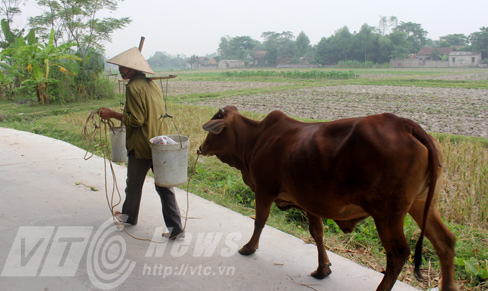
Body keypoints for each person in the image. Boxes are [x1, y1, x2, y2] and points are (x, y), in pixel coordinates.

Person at [98, 47, 183, 239]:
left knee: (134, 184)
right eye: (120, 67)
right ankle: (176, 227)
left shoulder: (133, 88)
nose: (121, 70)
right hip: (159, 142)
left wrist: (112, 114)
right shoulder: (152, 84)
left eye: (124, 67)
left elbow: (136, 120)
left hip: (141, 145)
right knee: (164, 187)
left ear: (134, 69)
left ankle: (129, 218)